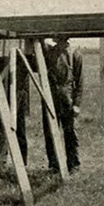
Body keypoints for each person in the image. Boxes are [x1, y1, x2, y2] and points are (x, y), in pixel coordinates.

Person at [43, 36, 83, 173]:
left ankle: (73, 165)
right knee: (50, 131)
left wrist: (77, 103)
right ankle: (54, 165)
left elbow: (80, 82)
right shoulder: (49, 52)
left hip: (67, 96)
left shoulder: (75, 54)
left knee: (70, 132)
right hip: (50, 95)